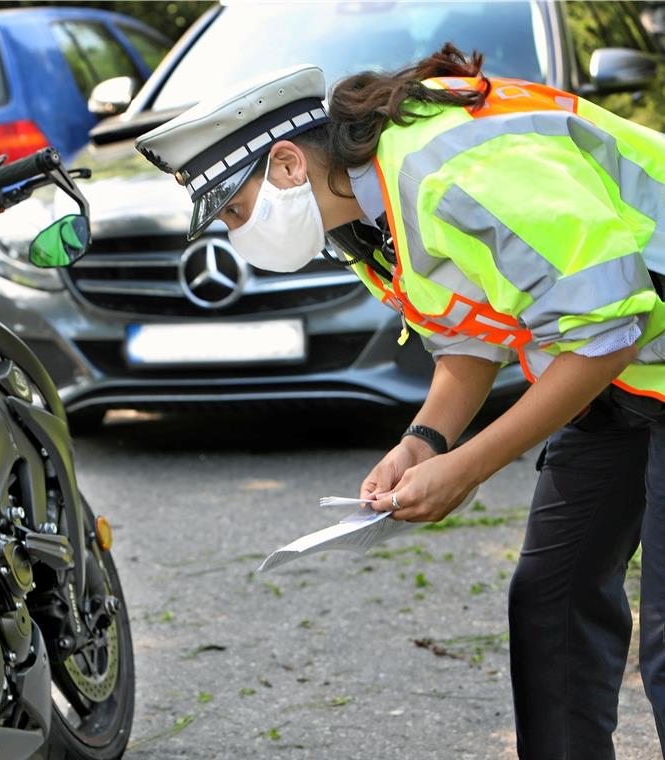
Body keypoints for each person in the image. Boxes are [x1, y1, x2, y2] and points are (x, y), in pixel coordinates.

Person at [135, 45, 664, 759]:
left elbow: (606, 332)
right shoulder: (360, 217)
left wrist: (469, 468)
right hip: (629, 378)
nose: (237, 233)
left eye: (235, 210)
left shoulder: (445, 171)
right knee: (552, 599)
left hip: (619, 353)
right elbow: (470, 339)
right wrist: (424, 444)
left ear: (289, 164)